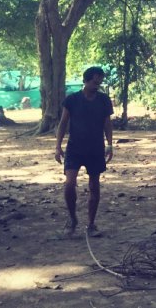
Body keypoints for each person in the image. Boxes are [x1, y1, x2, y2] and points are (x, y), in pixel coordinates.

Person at [54, 66, 114, 237]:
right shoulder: (72, 99)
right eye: (95, 80)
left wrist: (110, 144)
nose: (98, 84)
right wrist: (58, 147)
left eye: (100, 81)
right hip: (74, 148)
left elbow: (107, 123)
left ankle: (91, 224)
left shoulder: (103, 100)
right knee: (69, 183)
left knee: (94, 186)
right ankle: (72, 219)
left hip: (96, 148)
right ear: (87, 80)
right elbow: (63, 123)